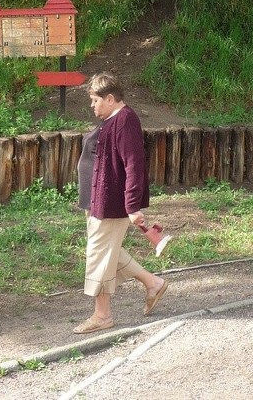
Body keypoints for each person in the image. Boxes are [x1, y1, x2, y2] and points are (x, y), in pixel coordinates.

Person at [73, 72, 168, 334]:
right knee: (107, 252)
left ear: (111, 99)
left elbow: (134, 165)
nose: (92, 106)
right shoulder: (112, 119)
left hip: (111, 203)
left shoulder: (126, 121)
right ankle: (153, 283)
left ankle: (102, 316)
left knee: (98, 254)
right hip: (97, 201)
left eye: (95, 100)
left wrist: (133, 206)